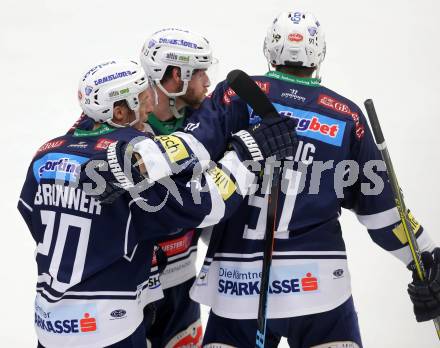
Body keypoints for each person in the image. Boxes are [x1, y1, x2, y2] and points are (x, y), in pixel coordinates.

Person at [154, 10, 440, 347]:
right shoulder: (346, 115)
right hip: (320, 291)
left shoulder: (234, 94)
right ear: (319, 55)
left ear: (269, 51)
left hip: (237, 288)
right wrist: (425, 256)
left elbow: (186, 158)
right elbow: (383, 215)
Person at [17, 59, 298, 348]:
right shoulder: (129, 150)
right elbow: (206, 202)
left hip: (48, 324)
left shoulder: (45, 154)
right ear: (119, 110)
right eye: (141, 98)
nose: (149, 107)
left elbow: (31, 214)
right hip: (107, 327)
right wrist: (248, 152)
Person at [139, 28, 215, 347]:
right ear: (175, 76)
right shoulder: (126, 123)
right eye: (200, 73)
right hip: (134, 291)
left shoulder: (207, 118)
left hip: (184, 281)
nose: (207, 82)